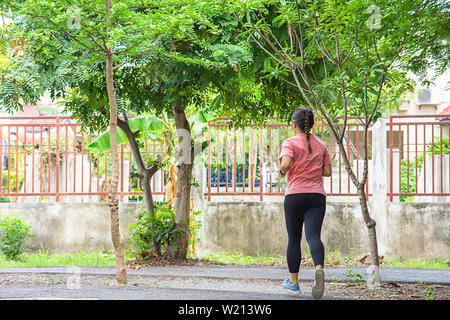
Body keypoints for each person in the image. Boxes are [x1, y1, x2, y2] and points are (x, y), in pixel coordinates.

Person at [278, 107, 332, 300]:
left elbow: (285, 164)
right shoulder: (321, 145)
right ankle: (319, 268)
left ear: (294, 124)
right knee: (313, 236)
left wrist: (282, 173)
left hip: (294, 196)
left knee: (294, 239)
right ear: (312, 125)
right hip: (317, 196)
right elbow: (327, 172)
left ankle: (293, 283)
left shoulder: (290, 142)